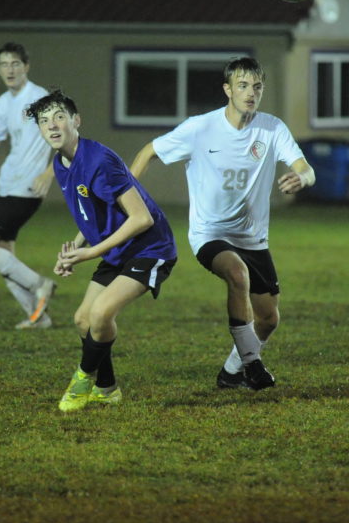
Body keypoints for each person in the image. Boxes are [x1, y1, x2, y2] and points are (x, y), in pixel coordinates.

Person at [131, 57, 315, 391]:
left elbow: (306, 168)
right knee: (237, 274)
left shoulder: (272, 128)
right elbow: (148, 152)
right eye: (243, 86)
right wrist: (125, 197)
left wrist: (302, 177)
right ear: (227, 90)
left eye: (257, 86)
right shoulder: (200, 128)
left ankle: (230, 373)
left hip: (253, 238)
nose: (251, 93)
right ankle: (252, 363)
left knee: (269, 319)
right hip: (210, 233)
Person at [26, 89, 177, 412]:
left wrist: (92, 254)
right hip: (118, 249)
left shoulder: (99, 161)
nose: (52, 125)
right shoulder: (62, 163)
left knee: (101, 313)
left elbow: (142, 218)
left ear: (76, 121)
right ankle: (107, 389)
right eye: (44, 120)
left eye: (59, 117)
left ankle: (82, 379)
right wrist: (74, 250)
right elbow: (91, 214)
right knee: (83, 319)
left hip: (150, 247)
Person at [0, 42, 57, 329]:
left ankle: (41, 284)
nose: (10, 69)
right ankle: (38, 317)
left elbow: (68, 140)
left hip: (26, 189)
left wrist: (49, 173)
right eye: (4, 64)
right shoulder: (4, 102)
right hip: (6, 185)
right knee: (4, 253)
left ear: (26, 66)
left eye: (15, 63)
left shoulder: (40, 99)